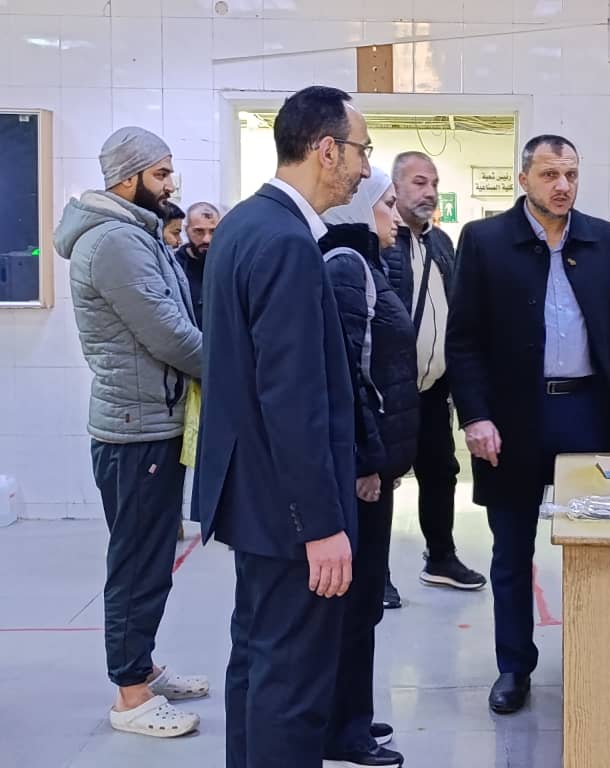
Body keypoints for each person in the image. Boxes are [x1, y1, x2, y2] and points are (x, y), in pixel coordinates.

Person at [193, 86, 369, 768]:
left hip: (254, 497)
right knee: (293, 686)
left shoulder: (244, 224)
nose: (363, 169)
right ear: (326, 150)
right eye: (360, 151)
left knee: (259, 662)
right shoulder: (288, 242)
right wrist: (321, 525)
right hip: (289, 508)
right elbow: (292, 398)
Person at [446, 134, 610, 714]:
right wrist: (475, 415)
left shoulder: (603, 239)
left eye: (572, 175)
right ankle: (514, 667)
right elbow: (464, 341)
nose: (563, 186)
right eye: (550, 174)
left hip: (589, 412)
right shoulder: (484, 240)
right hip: (514, 416)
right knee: (512, 550)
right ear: (524, 179)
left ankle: (600, 656)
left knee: (599, 546)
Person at [54, 126, 206, 738]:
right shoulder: (116, 240)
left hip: (149, 419)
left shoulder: (134, 232)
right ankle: (131, 696)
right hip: (135, 428)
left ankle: (141, 667)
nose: (171, 185)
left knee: (152, 557)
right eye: (161, 174)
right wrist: (237, 368)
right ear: (128, 178)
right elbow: (170, 334)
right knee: (137, 562)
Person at [319, 167, 417, 768]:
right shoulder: (345, 267)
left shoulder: (368, 265)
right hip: (362, 471)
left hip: (377, 464)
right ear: (358, 209)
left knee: (365, 604)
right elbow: (348, 376)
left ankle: (353, 712)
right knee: (354, 607)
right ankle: (342, 730)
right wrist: (365, 460)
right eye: (387, 205)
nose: (397, 217)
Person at [380, 151, 487, 609]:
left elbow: (459, 313)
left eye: (434, 184)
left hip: (434, 388)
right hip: (391, 390)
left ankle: (440, 557)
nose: (429, 192)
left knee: (441, 472)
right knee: (381, 480)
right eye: (419, 182)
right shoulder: (380, 240)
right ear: (395, 188)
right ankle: (376, 575)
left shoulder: (442, 242)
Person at [174, 201, 220, 331]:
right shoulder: (174, 267)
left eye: (213, 231)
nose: (207, 239)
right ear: (186, 230)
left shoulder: (230, 266)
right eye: (199, 231)